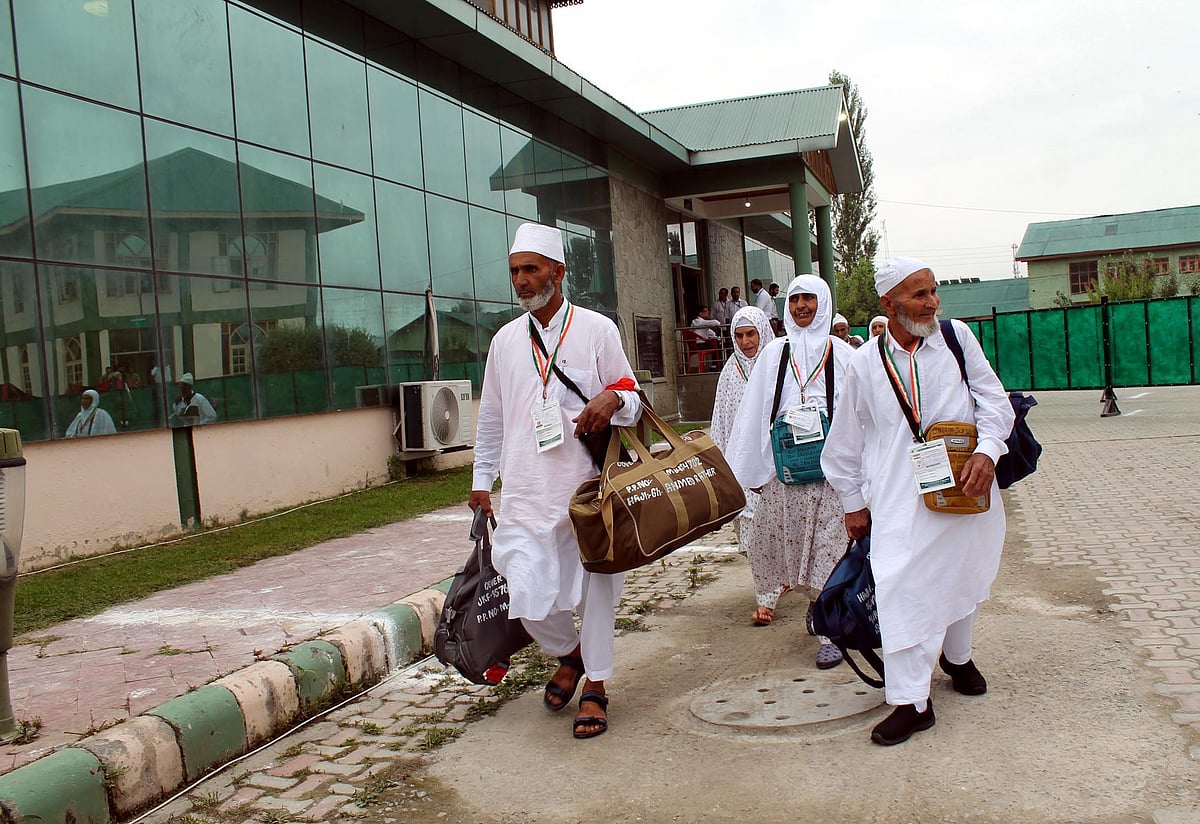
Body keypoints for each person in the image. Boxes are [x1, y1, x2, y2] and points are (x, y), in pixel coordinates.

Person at [820, 256, 1015, 747]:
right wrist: (852, 500)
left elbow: (996, 402)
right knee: (901, 585)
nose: (933, 303)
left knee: (960, 573)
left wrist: (989, 452)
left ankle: (957, 655)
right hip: (897, 497)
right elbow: (843, 439)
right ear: (889, 304)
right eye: (919, 295)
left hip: (964, 489)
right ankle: (911, 701)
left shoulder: (955, 340)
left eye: (933, 292)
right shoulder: (864, 362)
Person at [469, 222, 642, 741]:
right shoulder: (504, 340)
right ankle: (568, 652)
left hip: (587, 489)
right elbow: (492, 417)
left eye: (531, 269)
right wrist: (483, 478)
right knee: (525, 592)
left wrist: (613, 399)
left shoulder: (596, 329)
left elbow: (633, 396)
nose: (521, 281)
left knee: (595, 593)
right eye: (515, 272)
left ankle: (597, 684)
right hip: (524, 490)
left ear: (558, 272)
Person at [724, 274, 854, 668]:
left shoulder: (843, 354)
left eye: (809, 299)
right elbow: (755, 413)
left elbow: (859, 415)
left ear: (823, 303)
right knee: (796, 550)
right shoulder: (774, 354)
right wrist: (756, 472)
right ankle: (818, 606)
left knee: (831, 550)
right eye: (795, 299)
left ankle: (831, 629)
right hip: (788, 476)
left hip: (832, 475)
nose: (801, 306)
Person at [710, 306, 775, 552]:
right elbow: (720, 420)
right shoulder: (730, 370)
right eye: (739, 336)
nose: (745, 342)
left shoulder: (776, 362)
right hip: (742, 460)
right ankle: (764, 584)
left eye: (751, 334)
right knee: (750, 526)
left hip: (772, 459)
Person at [690, 305, 722, 371]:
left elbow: (711, 333)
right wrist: (718, 323)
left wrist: (717, 337)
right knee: (717, 346)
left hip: (701, 344)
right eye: (706, 311)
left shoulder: (703, 324)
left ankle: (714, 364)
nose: (708, 312)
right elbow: (713, 323)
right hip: (698, 345)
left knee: (717, 344)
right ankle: (715, 365)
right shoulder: (696, 321)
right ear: (700, 313)